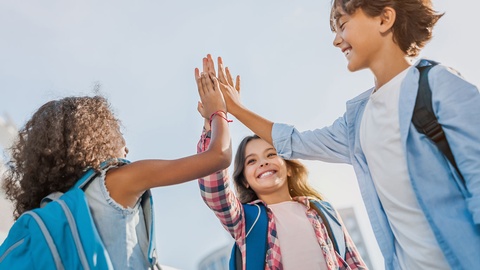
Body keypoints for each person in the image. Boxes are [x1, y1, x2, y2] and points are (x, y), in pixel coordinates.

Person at [201, 0, 480, 269]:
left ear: (384, 19)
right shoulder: (356, 123)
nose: (337, 40)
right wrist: (234, 109)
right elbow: (294, 141)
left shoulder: (439, 87)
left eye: (343, 25)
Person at [1, 71, 231, 269]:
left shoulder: (61, 211)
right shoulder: (116, 181)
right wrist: (218, 111)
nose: (126, 147)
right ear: (97, 137)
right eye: (118, 134)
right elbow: (219, 156)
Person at [196, 57, 367, 269]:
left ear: (288, 167)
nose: (263, 163)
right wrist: (215, 119)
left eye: (270, 154)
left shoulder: (323, 212)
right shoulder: (246, 220)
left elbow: (353, 262)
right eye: (252, 161)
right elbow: (215, 191)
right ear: (245, 180)